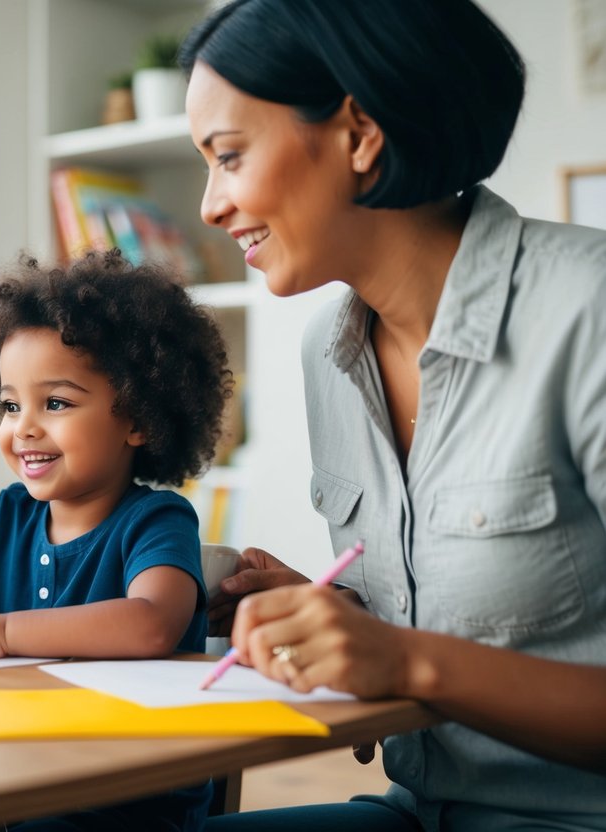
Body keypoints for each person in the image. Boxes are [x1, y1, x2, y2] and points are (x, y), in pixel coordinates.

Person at [180, 0, 606, 829]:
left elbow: (428, 661)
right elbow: (454, 630)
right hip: (420, 810)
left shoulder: (586, 312)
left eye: (227, 157)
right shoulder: (327, 356)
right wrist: (335, 623)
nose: (209, 206)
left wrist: (406, 660)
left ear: (358, 134)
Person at [0, 251, 231, 828]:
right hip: (21, 777)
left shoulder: (157, 520)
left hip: (129, 802)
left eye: (55, 403)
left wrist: (0, 631)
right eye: (10, 405)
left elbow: (151, 622)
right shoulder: (10, 516)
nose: (24, 426)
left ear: (139, 420)